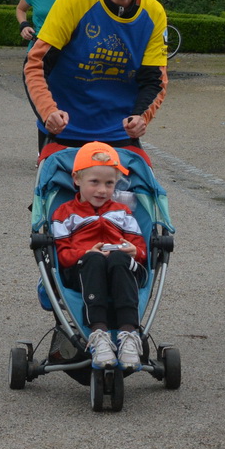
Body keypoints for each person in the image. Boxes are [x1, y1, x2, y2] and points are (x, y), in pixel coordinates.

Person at [25, 0, 169, 159]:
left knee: (145, 193)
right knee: (57, 194)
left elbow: (155, 79)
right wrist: (48, 112)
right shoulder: (73, 1)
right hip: (64, 128)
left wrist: (141, 117)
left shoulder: (154, 13)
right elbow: (36, 65)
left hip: (118, 132)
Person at [53, 142, 149, 371]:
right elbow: (62, 254)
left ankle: (128, 333)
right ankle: (99, 333)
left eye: (109, 183)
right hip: (83, 268)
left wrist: (135, 251)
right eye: (94, 182)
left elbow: (140, 247)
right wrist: (85, 252)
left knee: (118, 259)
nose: (102, 190)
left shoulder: (122, 212)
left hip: (122, 268)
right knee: (94, 259)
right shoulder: (64, 214)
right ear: (77, 179)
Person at [18, 0, 76, 126]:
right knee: (41, 102)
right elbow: (21, 9)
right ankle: (44, 146)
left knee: (62, 101)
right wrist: (24, 25)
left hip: (65, 53)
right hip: (38, 50)